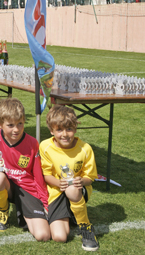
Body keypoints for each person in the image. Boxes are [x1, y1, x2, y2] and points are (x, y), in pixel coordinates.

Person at [0, 98, 50, 241]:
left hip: (27, 188)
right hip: (6, 184)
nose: (16, 129)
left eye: (20, 123)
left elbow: (38, 176)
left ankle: (26, 210)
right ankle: (2, 210)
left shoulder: (32, 143)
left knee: (43, 235)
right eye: (11, 125)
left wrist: (45, 202)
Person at [39, 105, 99, 251]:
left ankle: (85, 227)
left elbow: (90, 177)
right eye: (59, 130)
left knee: (72, 190)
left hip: (77, 190)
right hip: (57, 192)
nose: (65, 134)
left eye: (69, 129)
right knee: (60, 237)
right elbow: (46, 175)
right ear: (51, 131)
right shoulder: (45, 146)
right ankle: (70, 215)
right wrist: (58, 183)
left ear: (75, 129)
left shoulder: (85, 149)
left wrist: (81, 181)